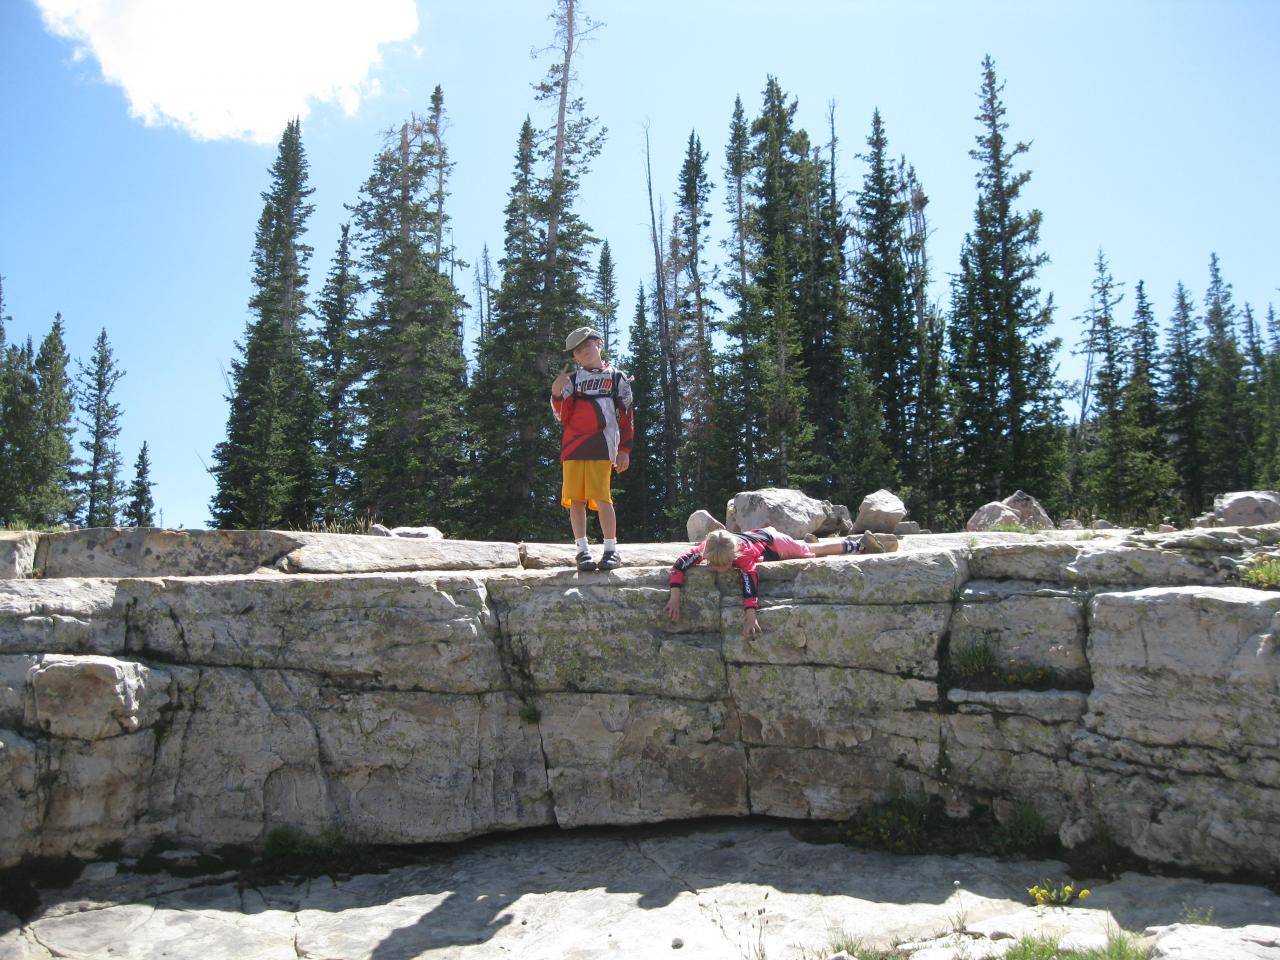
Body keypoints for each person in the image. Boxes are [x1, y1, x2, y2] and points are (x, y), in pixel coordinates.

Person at [664, 527, 897, 638]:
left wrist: (751, 616)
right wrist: (675, 594)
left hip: (774, 542)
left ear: (733, 557)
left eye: (721, 566)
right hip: (760, 538)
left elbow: (749, 582)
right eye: (712, 565)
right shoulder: (707, 550)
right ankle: (810, 541)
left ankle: (857, 544)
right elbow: (680, 563)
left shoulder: (743, 557)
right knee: (808, 548)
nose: (716, 569)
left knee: (811, 552)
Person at [550, 326, 633, 572]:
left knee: (602, 497)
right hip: (573, 447)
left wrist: (625, 449)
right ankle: (582, 550)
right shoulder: (572, 380)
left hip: (603, 445)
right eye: (578, 350)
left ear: (599, 343)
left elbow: (627, 415)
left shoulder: (617, 377)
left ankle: (610, 549)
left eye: (588, 345)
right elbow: (561, 416)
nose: (584, 351)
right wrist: (556, 394)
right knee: (575, 499)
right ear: (574, 358)